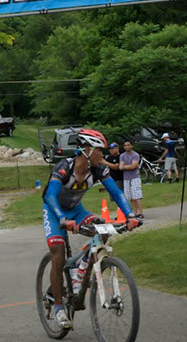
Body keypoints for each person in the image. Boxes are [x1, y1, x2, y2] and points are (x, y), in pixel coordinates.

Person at [42, 128, 140, 329]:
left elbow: (116, 192)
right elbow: (50, 195)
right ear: (86, 150)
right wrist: (62, 219)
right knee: (58, 254)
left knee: (103, 231)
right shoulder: (64, 167)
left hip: (77, 211)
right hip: (55, 212)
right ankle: (59, 307)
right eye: (99, 150)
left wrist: (130, 215)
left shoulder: (98, 169)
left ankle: (80, 272)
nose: (102, 155)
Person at [120, 140, 144, 219]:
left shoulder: (135, 155)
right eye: (125, 145)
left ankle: (140, 213)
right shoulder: (122, 156)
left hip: (135, 177)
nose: (127, 147)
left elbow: (133, 166)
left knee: (137, 196)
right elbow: (121, 167)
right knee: (130, 196)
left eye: (128, 145)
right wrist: (127, 167)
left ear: (131, 146)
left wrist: (125, 167)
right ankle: (135, 213)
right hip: (126, 178)